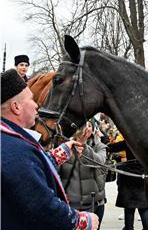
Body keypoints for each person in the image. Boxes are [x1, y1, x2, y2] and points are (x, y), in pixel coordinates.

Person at [1, 69, 99, 230]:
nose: (36, 106)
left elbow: (29, 168)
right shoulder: (15, 150)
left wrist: (60, 153)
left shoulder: (10, 140)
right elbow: (41, 206)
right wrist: (81, 221)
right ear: (16, 107)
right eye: (32, 100)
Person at [60, 120, 108, 228]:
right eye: (83, 125)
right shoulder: (65, 146)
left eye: (89, 125)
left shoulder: (100, 147)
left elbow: (100, 162)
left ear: (94, 130)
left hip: (92, 204)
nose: (86, 128)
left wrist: (84, 147)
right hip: (69, 204)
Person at [108, 135, 148, 230]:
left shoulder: (129, 141)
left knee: (129, 207)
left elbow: (111, 148)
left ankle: (129, 228)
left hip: (129, 176)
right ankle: (147, 228)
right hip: (142, 175)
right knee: (143, 207)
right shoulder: (146, 141)